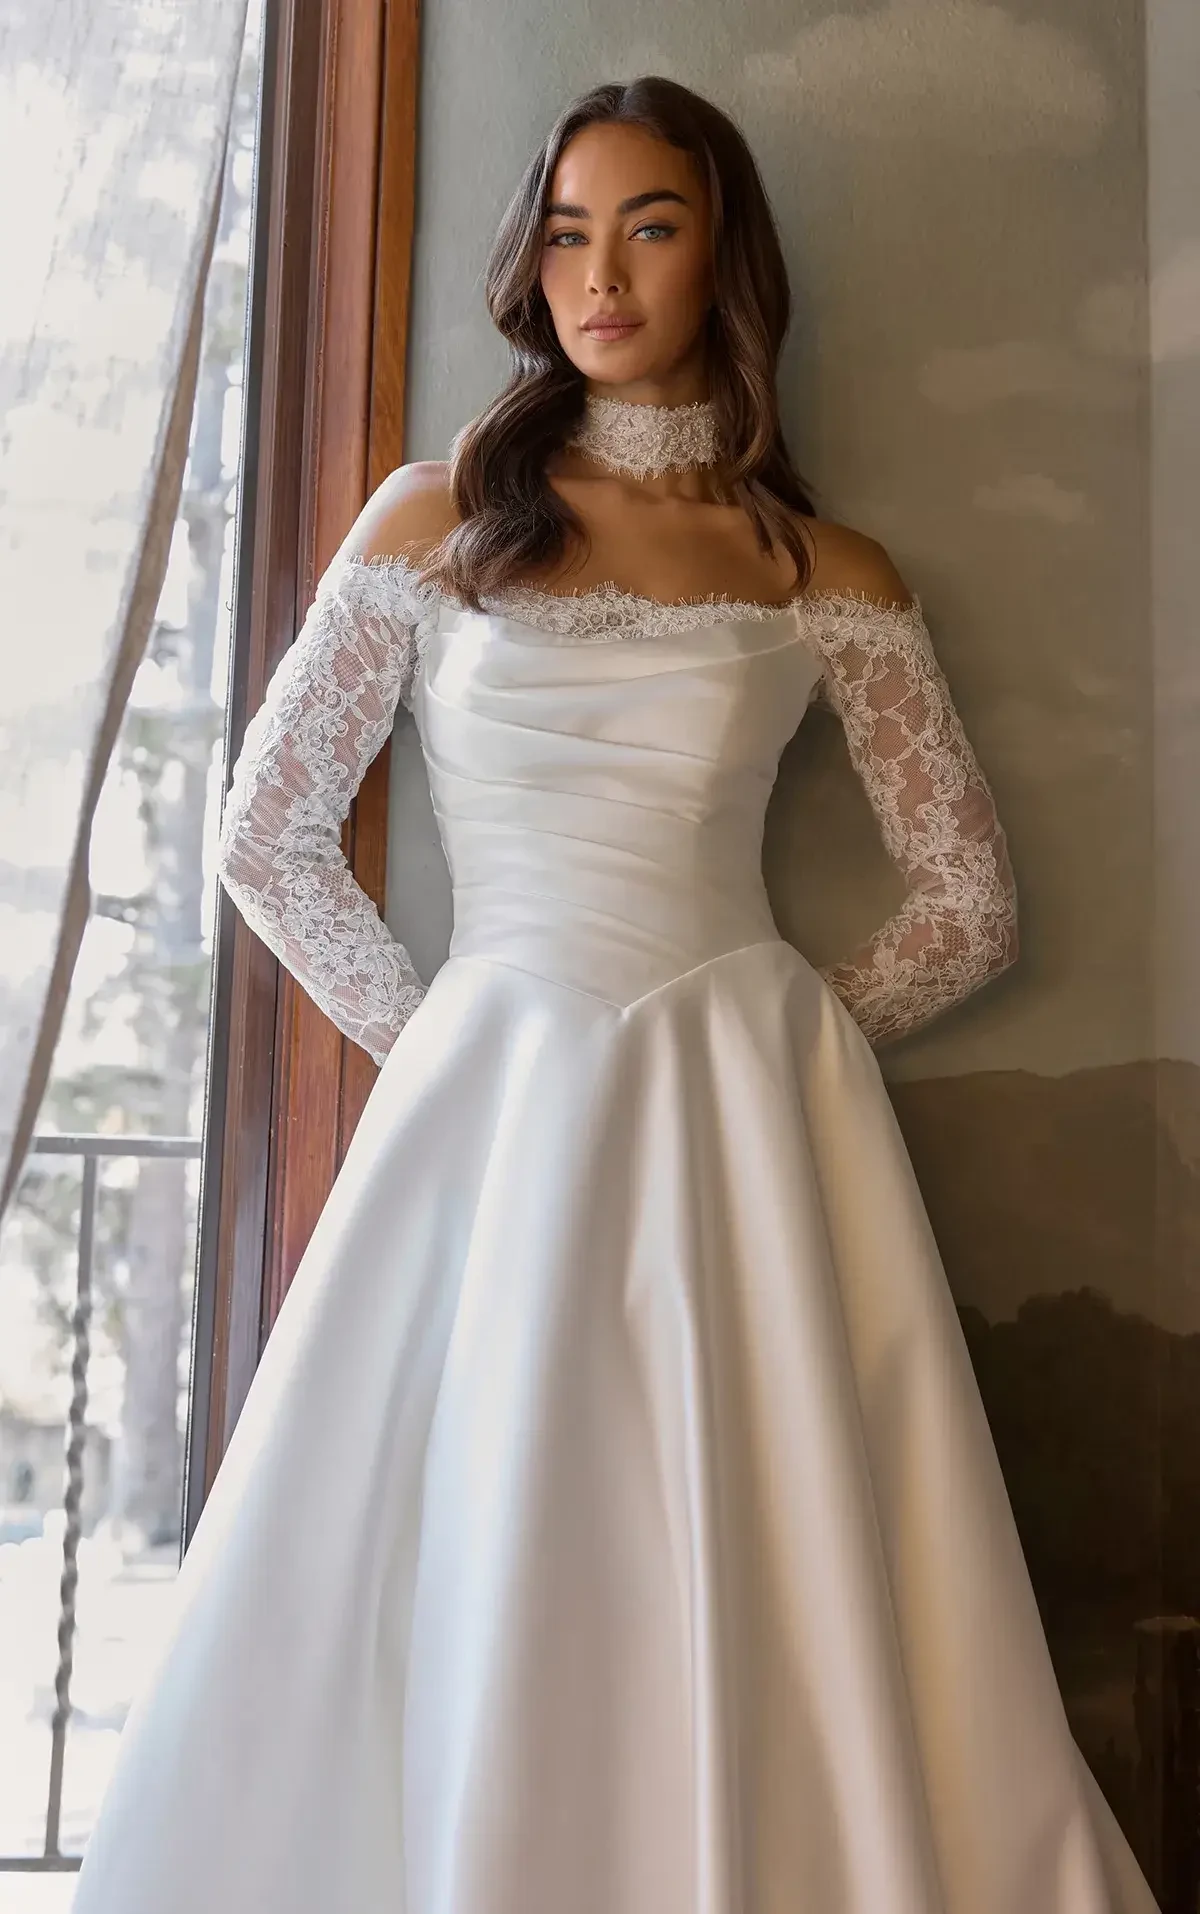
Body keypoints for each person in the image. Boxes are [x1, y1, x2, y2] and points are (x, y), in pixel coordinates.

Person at [71, 74, 1160, 1914]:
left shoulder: (826, 569)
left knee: (754, 1542)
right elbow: (265, 841)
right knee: (461, 1533)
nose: (601, 269)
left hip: (735, 1120)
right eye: (568, 229)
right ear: (529, 262)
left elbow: (971, 906)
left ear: (721, 253)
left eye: (649, 224)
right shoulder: (432, 515)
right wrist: (459, 1049)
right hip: (490, 1092)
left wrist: (775, 1031)